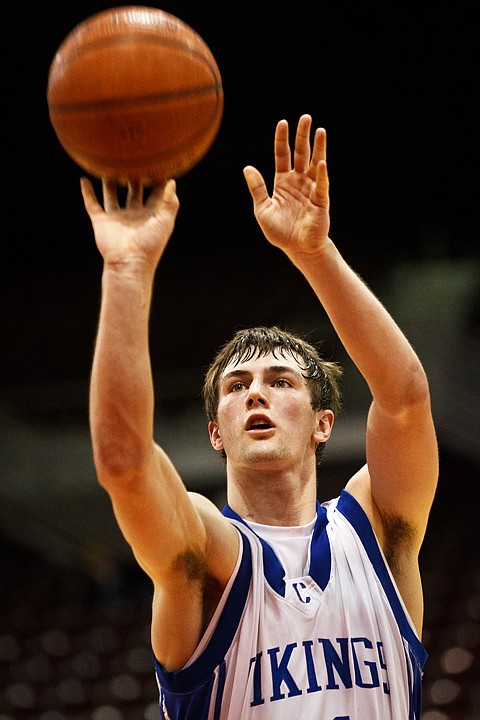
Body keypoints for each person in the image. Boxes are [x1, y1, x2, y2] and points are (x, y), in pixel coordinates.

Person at [81, 114, 439, 719]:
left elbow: (405, 400)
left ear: (323, 423)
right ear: (216, 432)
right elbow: (124, 460)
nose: (256, 394)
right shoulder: (205, 549)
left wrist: (314, 253)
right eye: (237, 385)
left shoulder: (377, 530)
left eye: (281, 381)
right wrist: (126, 270)